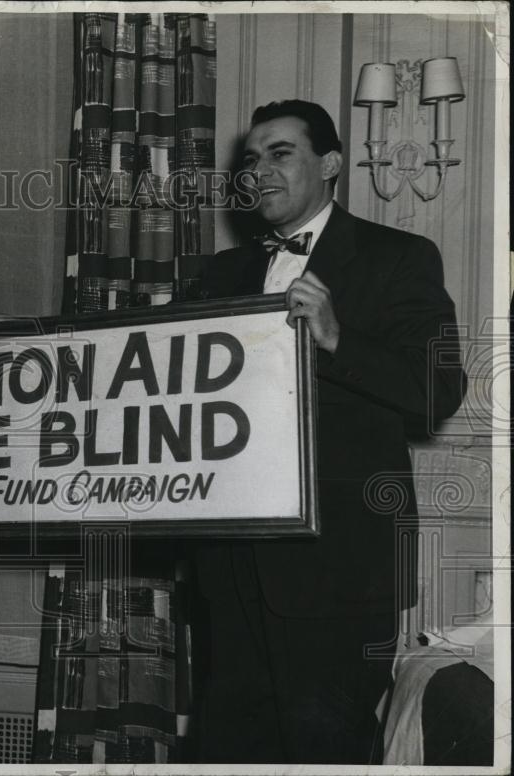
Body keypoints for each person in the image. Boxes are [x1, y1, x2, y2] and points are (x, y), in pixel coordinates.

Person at [192, 100, 467, 764]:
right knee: (229, 750)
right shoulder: (220, 275)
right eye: (252, 159)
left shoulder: (397, 257)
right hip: (230, 571)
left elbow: (438, 394)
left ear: (332, 164)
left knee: (326, 752)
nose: (259, 171)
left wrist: (337, 337)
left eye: (280, 153)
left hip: (341, 573)